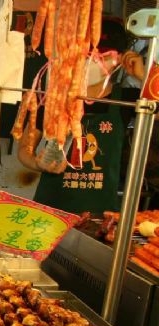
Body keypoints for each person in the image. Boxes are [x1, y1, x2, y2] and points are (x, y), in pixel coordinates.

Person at [25, 19, 140, 215]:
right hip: (49, 213)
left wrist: (143, 75)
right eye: (87, 54)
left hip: (99, 217)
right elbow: (24, 150)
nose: (93, 61)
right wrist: (37, 162)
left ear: (120, 60)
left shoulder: (128, 101)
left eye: (103, 56)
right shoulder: (50, 98)